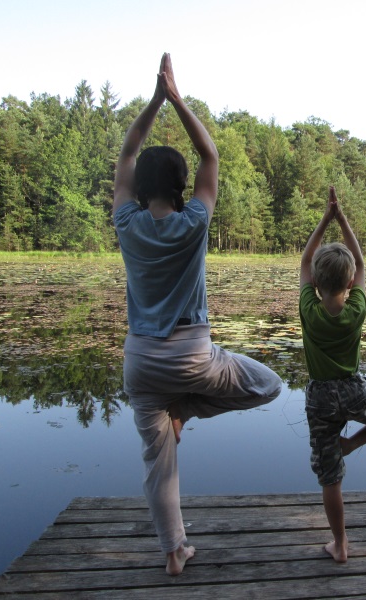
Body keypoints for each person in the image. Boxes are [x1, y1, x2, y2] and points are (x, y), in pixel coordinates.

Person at [112, 53, 282, 576]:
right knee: (268, 385)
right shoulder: (193, 223)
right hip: (193, 356)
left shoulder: (126, 222)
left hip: (140, 362)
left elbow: (126, 152)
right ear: (181, 185)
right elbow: (210, 156)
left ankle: (173, 553)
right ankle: (185, 409)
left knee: (159, 466)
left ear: (141, 187)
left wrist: (153, 102)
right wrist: (178, 99)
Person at [299, 186, 366, 563]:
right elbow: (360, 264)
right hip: (354, 393)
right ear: (349, 285)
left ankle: (340, 544)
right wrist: (341, 218)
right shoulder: (356, 308)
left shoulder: (309, 310)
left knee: (330, 476)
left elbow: (304, 261)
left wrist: (324, 219)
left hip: (319, 399)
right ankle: (354, 444)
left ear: (314, 282)